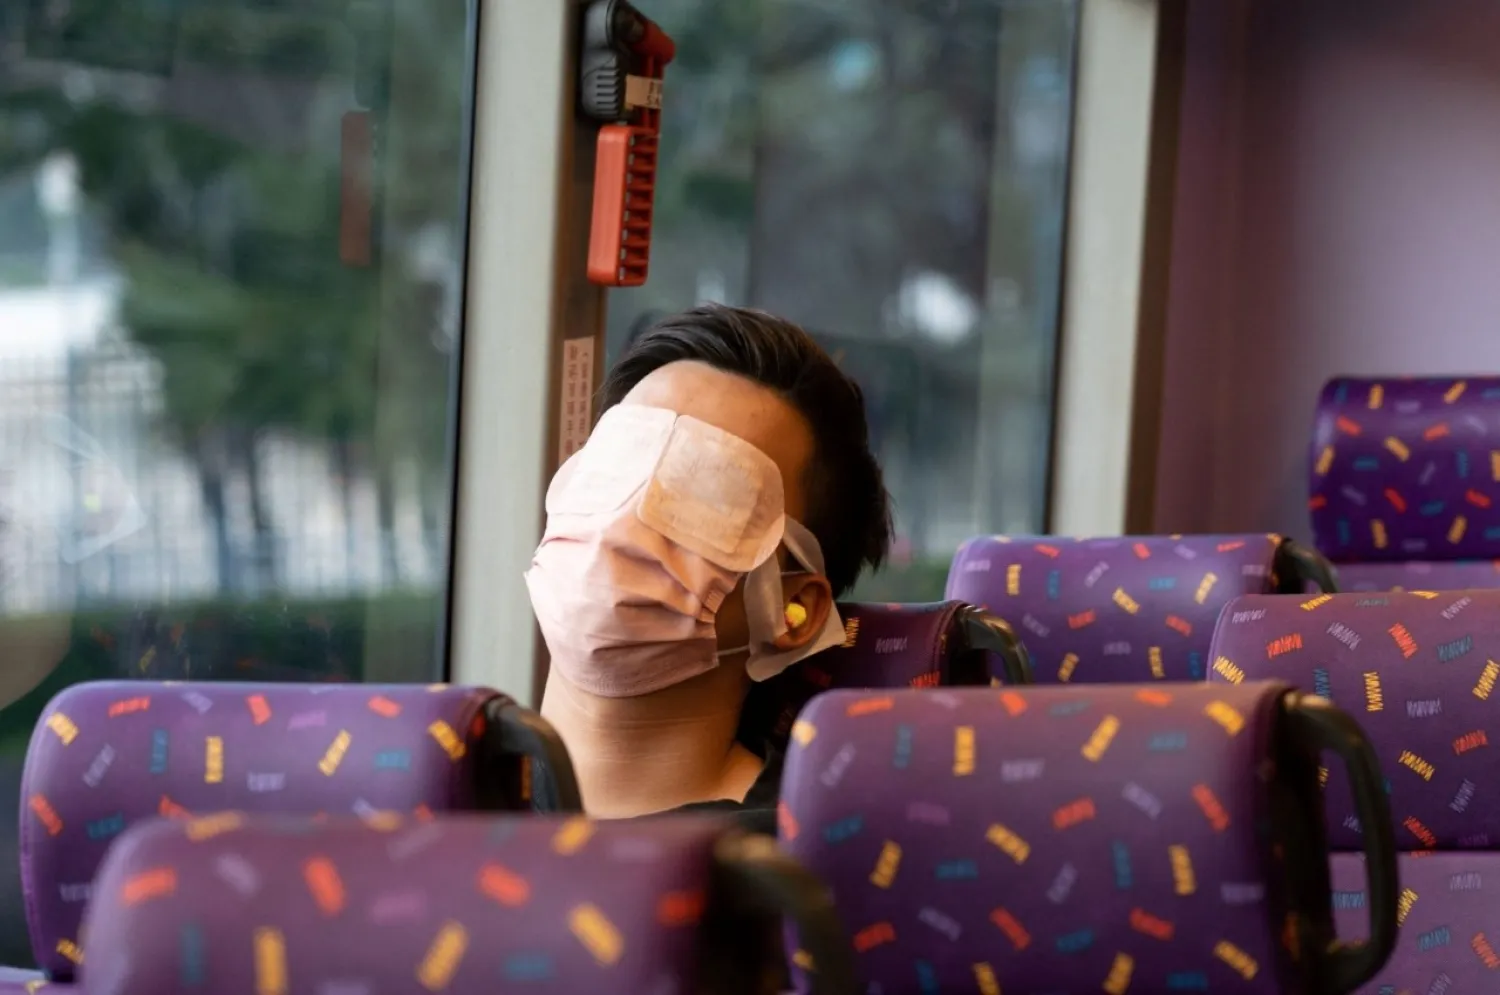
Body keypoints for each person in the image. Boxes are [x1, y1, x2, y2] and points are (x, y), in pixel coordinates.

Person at [525, 304, 892, 821]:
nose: (623, 516)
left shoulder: (787, 878)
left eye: (705, 489)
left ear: (793, 610)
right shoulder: (420, 797)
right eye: (615, 463)